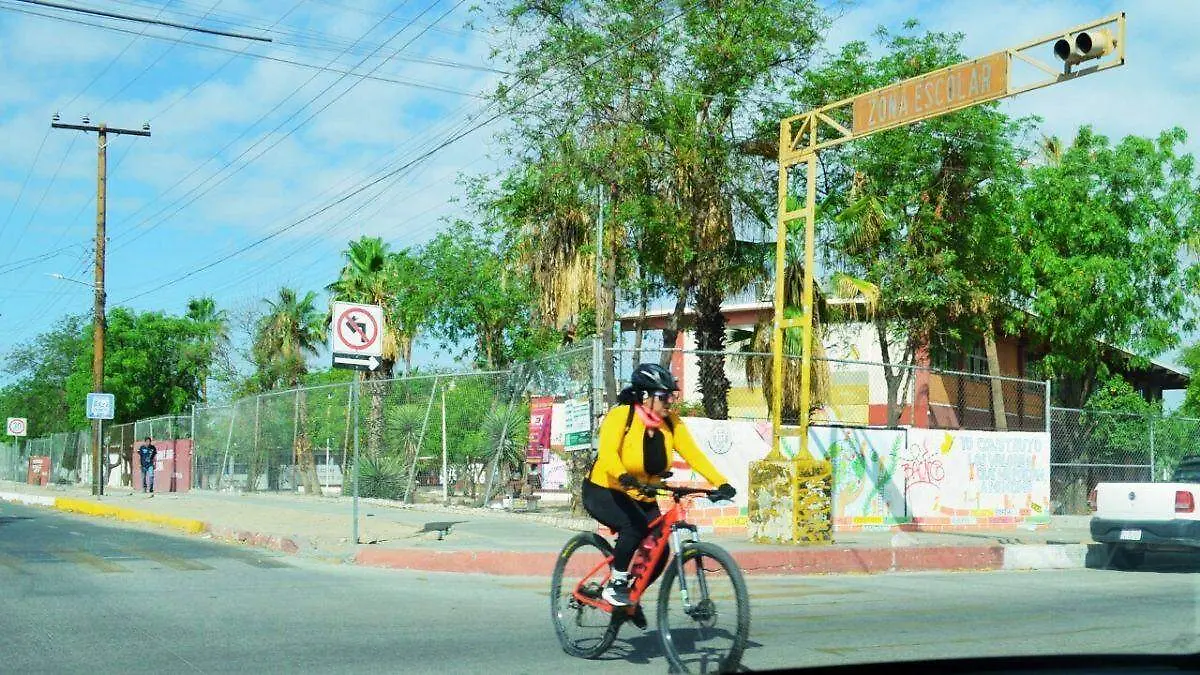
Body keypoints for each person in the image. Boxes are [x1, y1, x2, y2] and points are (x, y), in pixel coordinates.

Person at [584, 363, 736, 609]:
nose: (670, 402)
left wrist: (721, 482)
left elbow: (694, 455)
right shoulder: (621, 416)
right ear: (645, 396)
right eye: (664, 396)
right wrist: (623, 475)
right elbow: (608, 454)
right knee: (633, 526)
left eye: (671, 396)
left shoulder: (672, 423)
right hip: (604, 490)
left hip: (643, 493)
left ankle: (631, 600)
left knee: (660, 551)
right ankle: (616, 584)